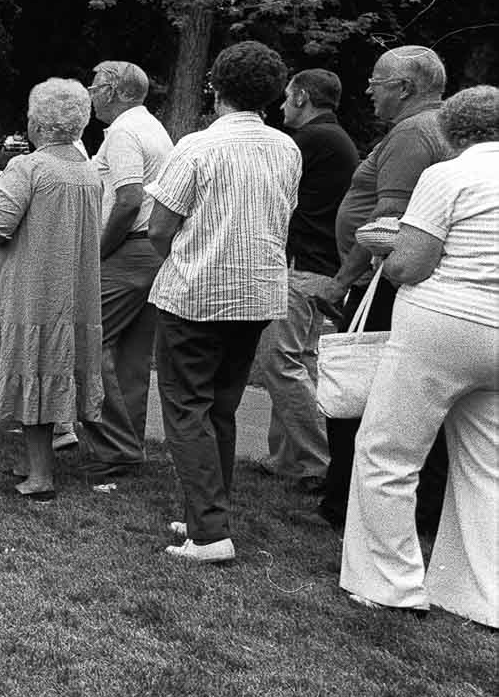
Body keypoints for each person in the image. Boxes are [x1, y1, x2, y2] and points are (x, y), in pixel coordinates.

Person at [339, 86, 499, 625]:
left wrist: (390, 245)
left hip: (442, 325)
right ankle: (480, 594)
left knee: (390, 452)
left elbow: (408, 265)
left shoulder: (449, 176)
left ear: (453, 131)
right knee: (487, 467)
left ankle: (389, 582)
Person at [145, 42, 299, 562]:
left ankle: (210, 531)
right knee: (222, 408)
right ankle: (206, 511)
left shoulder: (195, 148)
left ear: (216, 87)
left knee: (187, 409)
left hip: (196, 293)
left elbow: (160, 226)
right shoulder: (287, 149)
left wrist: (183, 258)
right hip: (256, 292)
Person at [318, 46, 454, 536]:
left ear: (405, 87)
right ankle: (387, 498)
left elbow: (386, 224)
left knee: (361, 383)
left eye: (376, 81)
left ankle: (345, 498)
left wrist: (342, 279)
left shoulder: (413, 134)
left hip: (381, 281)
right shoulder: (435, 129)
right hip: (402, 283)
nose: (368, 90)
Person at [0, 80, 100, 495]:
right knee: (47, 372)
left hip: (29, 291)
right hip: (69, 292)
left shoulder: (29, 168)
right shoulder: (87, 171)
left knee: (32, 371)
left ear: (39, 123)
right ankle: (32, 463)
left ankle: (40, 477)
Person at [250, 68, 359, 492]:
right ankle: (287, 458)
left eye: (287, 97)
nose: (281, 106)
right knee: (299, 358)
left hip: (304, 265)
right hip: (320, 263)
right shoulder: (334, 139)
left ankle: (318, 459)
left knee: (278, 360)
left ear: (302, 98)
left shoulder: (312, 140)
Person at [75, 61, 174, 488]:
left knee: (85, 343)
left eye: (95, 87)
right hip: (152, 254)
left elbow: (129, 199)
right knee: (132, 357)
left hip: (128, 252)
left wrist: (98, 253)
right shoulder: (152, 127)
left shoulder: (122, 134)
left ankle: (115, 447)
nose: (90, 94)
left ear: (114, 91)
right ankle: (126, 449)